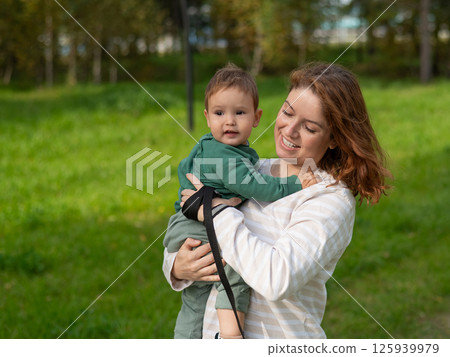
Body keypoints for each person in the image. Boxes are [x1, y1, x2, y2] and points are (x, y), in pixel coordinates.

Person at [163, 62, 392, 338]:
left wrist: (215, 212)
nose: (289, 130)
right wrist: (178, 266)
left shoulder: (329, 198)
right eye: (287, 112)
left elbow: (276, 279)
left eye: (308, 127)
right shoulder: (252, 169)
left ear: (334, 139)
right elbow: (188, 235)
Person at [163, 64, 316, 339]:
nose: (229, 121)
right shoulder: (226, 158)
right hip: (195, 227)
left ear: (257, 118)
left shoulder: (211, 146)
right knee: (232, 274)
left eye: (239, 113)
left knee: (194, 299)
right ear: (207, 117)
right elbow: (259, 187)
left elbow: (185, 170)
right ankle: (232, 336)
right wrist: (296, 184)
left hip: (184, 223)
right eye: (220, 113)